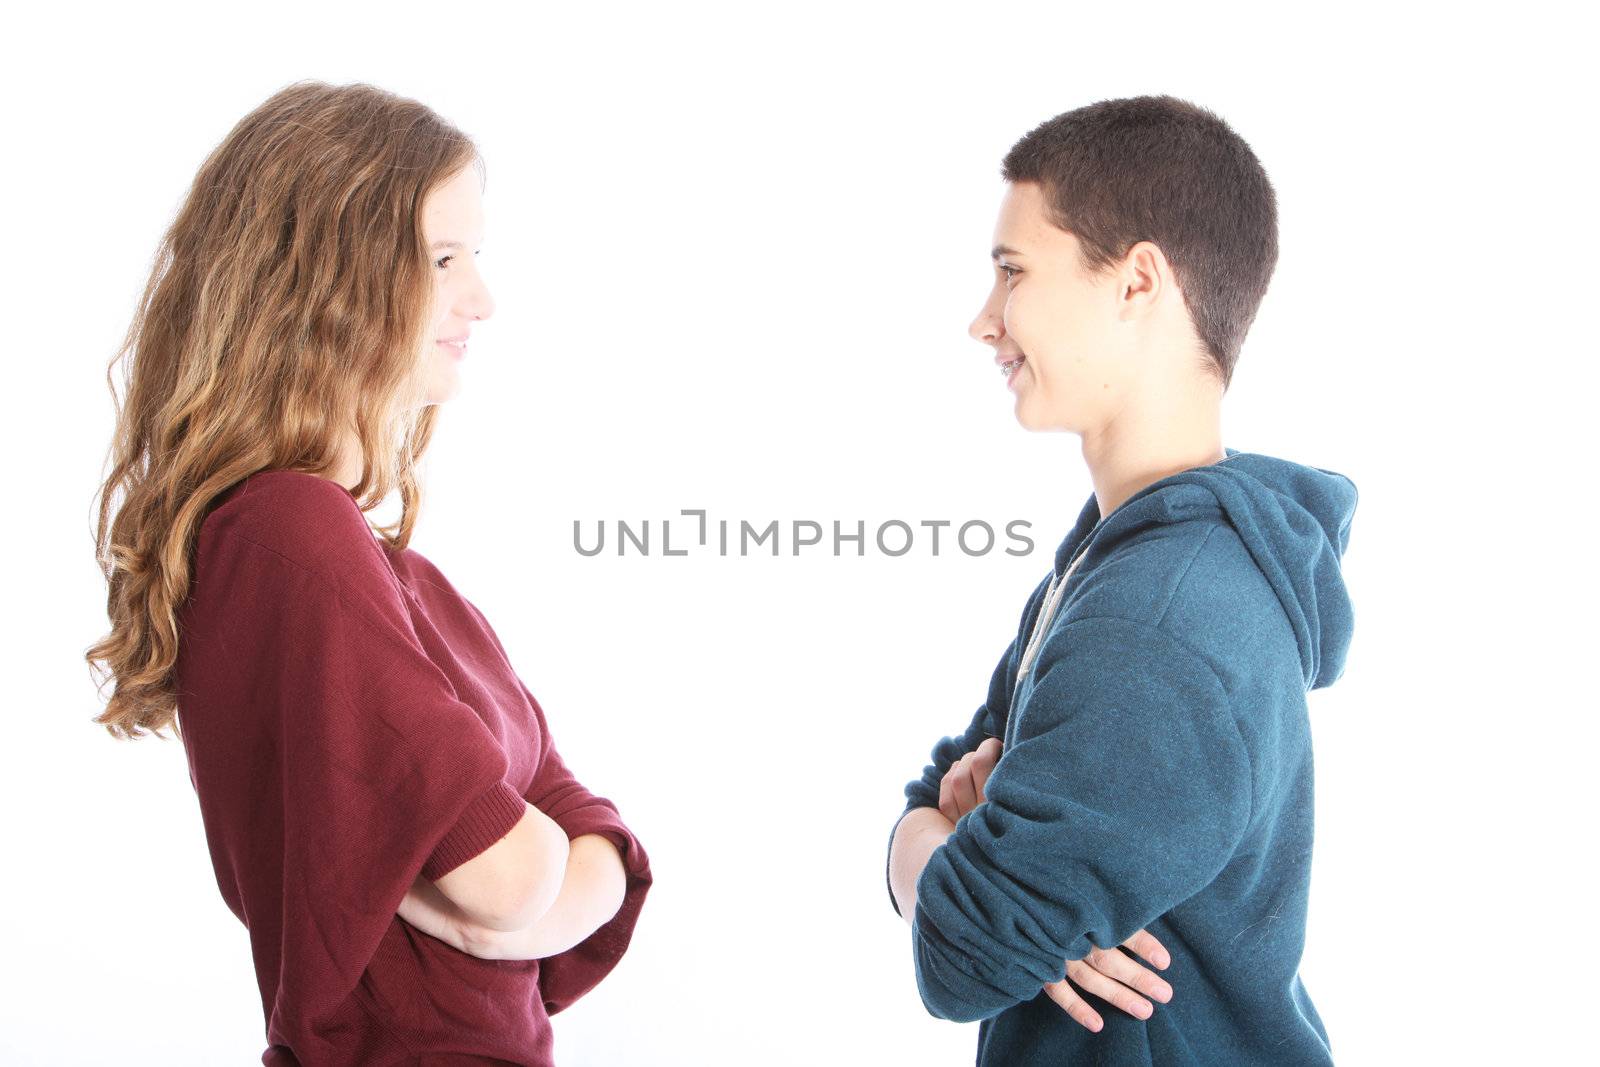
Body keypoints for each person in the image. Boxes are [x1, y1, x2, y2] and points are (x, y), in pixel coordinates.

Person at [84, 81, 651, 1066]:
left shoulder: (404, 582)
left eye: (476, 256)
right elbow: (517, 874)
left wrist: (525, 882)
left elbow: (597, 841)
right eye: (442, 258)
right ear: (324, 281)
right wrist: (523, 887)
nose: (482, 297)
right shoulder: (290, 536)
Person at [885, 95, 1357, 1065]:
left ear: (1137, 281)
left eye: (1011, 272)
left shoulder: (1160, 620)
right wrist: (952, 843)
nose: (983, 322)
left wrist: (949, 858)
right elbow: (944, 785)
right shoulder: (1116, 553)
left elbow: (962, 945)